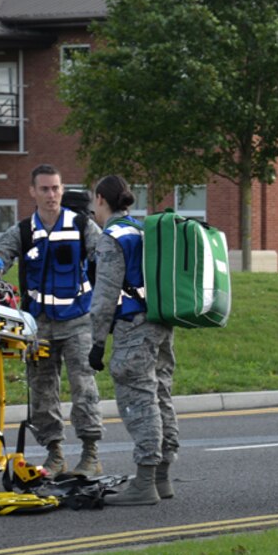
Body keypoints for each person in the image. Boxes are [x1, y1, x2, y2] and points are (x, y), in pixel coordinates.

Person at [0, 164, 106, 476]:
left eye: (56, 188)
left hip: (78, 321)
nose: (51, 195)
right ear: (32, 192)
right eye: (44, 189)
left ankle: (91, 455)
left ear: (62, 189)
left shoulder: (81, 225)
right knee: (42, 391)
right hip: (38, 326)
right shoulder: (23, 231)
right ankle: (55, 455)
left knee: (84, 388)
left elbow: (107, 257)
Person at [85, 175, 178, 505]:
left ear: (100, 199)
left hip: (134, 327)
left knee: (139, 399)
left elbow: (105, 295)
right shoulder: (141, 230)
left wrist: (97, 343)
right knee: (160, 393)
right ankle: (163, 476)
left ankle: (145, 481)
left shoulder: (111, 238)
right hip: (160, 323)